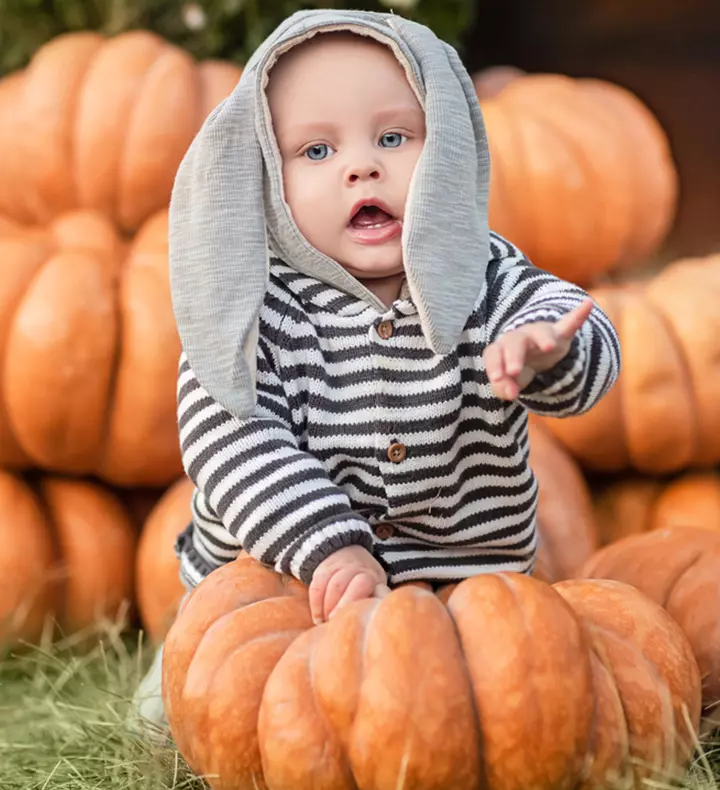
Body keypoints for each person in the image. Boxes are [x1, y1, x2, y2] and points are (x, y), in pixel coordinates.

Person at [134, 8, 620, 731]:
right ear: (269, 177)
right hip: (285, 588)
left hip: (457, 584)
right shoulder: (253, 310)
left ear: (446, 149)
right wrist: (333, 545)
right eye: (317, 151)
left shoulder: (483, 276)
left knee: (475, 718)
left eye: (394, 138)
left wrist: (549, 352)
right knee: (211, 709)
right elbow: (232, 444)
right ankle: (181, 683)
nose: (363, 165)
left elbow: (573, 329)